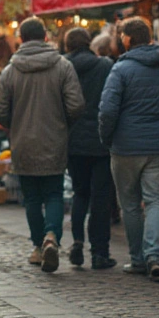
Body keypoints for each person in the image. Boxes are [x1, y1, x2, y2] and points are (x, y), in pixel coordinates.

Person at [99, 16, 159, 281]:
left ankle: (139, 259)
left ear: (127, 39)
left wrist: (107, 138)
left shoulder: (121, 70)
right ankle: (155, 256)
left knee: (129, 204)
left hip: (125, 146)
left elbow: (107, 110)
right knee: (155, 200)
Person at [0, 17, 84, 272]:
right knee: (53, 192)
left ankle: (37, 246)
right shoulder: (62, 66)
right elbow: (76, 105)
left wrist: (16, 122)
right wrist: (62, 122)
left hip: (23, 142)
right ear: (45, 36)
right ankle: (51, 236)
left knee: (31, 197)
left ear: (20, 38)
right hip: (54, 139)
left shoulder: (11, 71)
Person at [63, 28, 117, 270]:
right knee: (101, 197)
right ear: (89, 44)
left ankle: (77, 242)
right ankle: (100, 252)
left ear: (67, 46)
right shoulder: (105, 66)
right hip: (100, 141)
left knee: (80, 194)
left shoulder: (62, 67)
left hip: (73, 142)